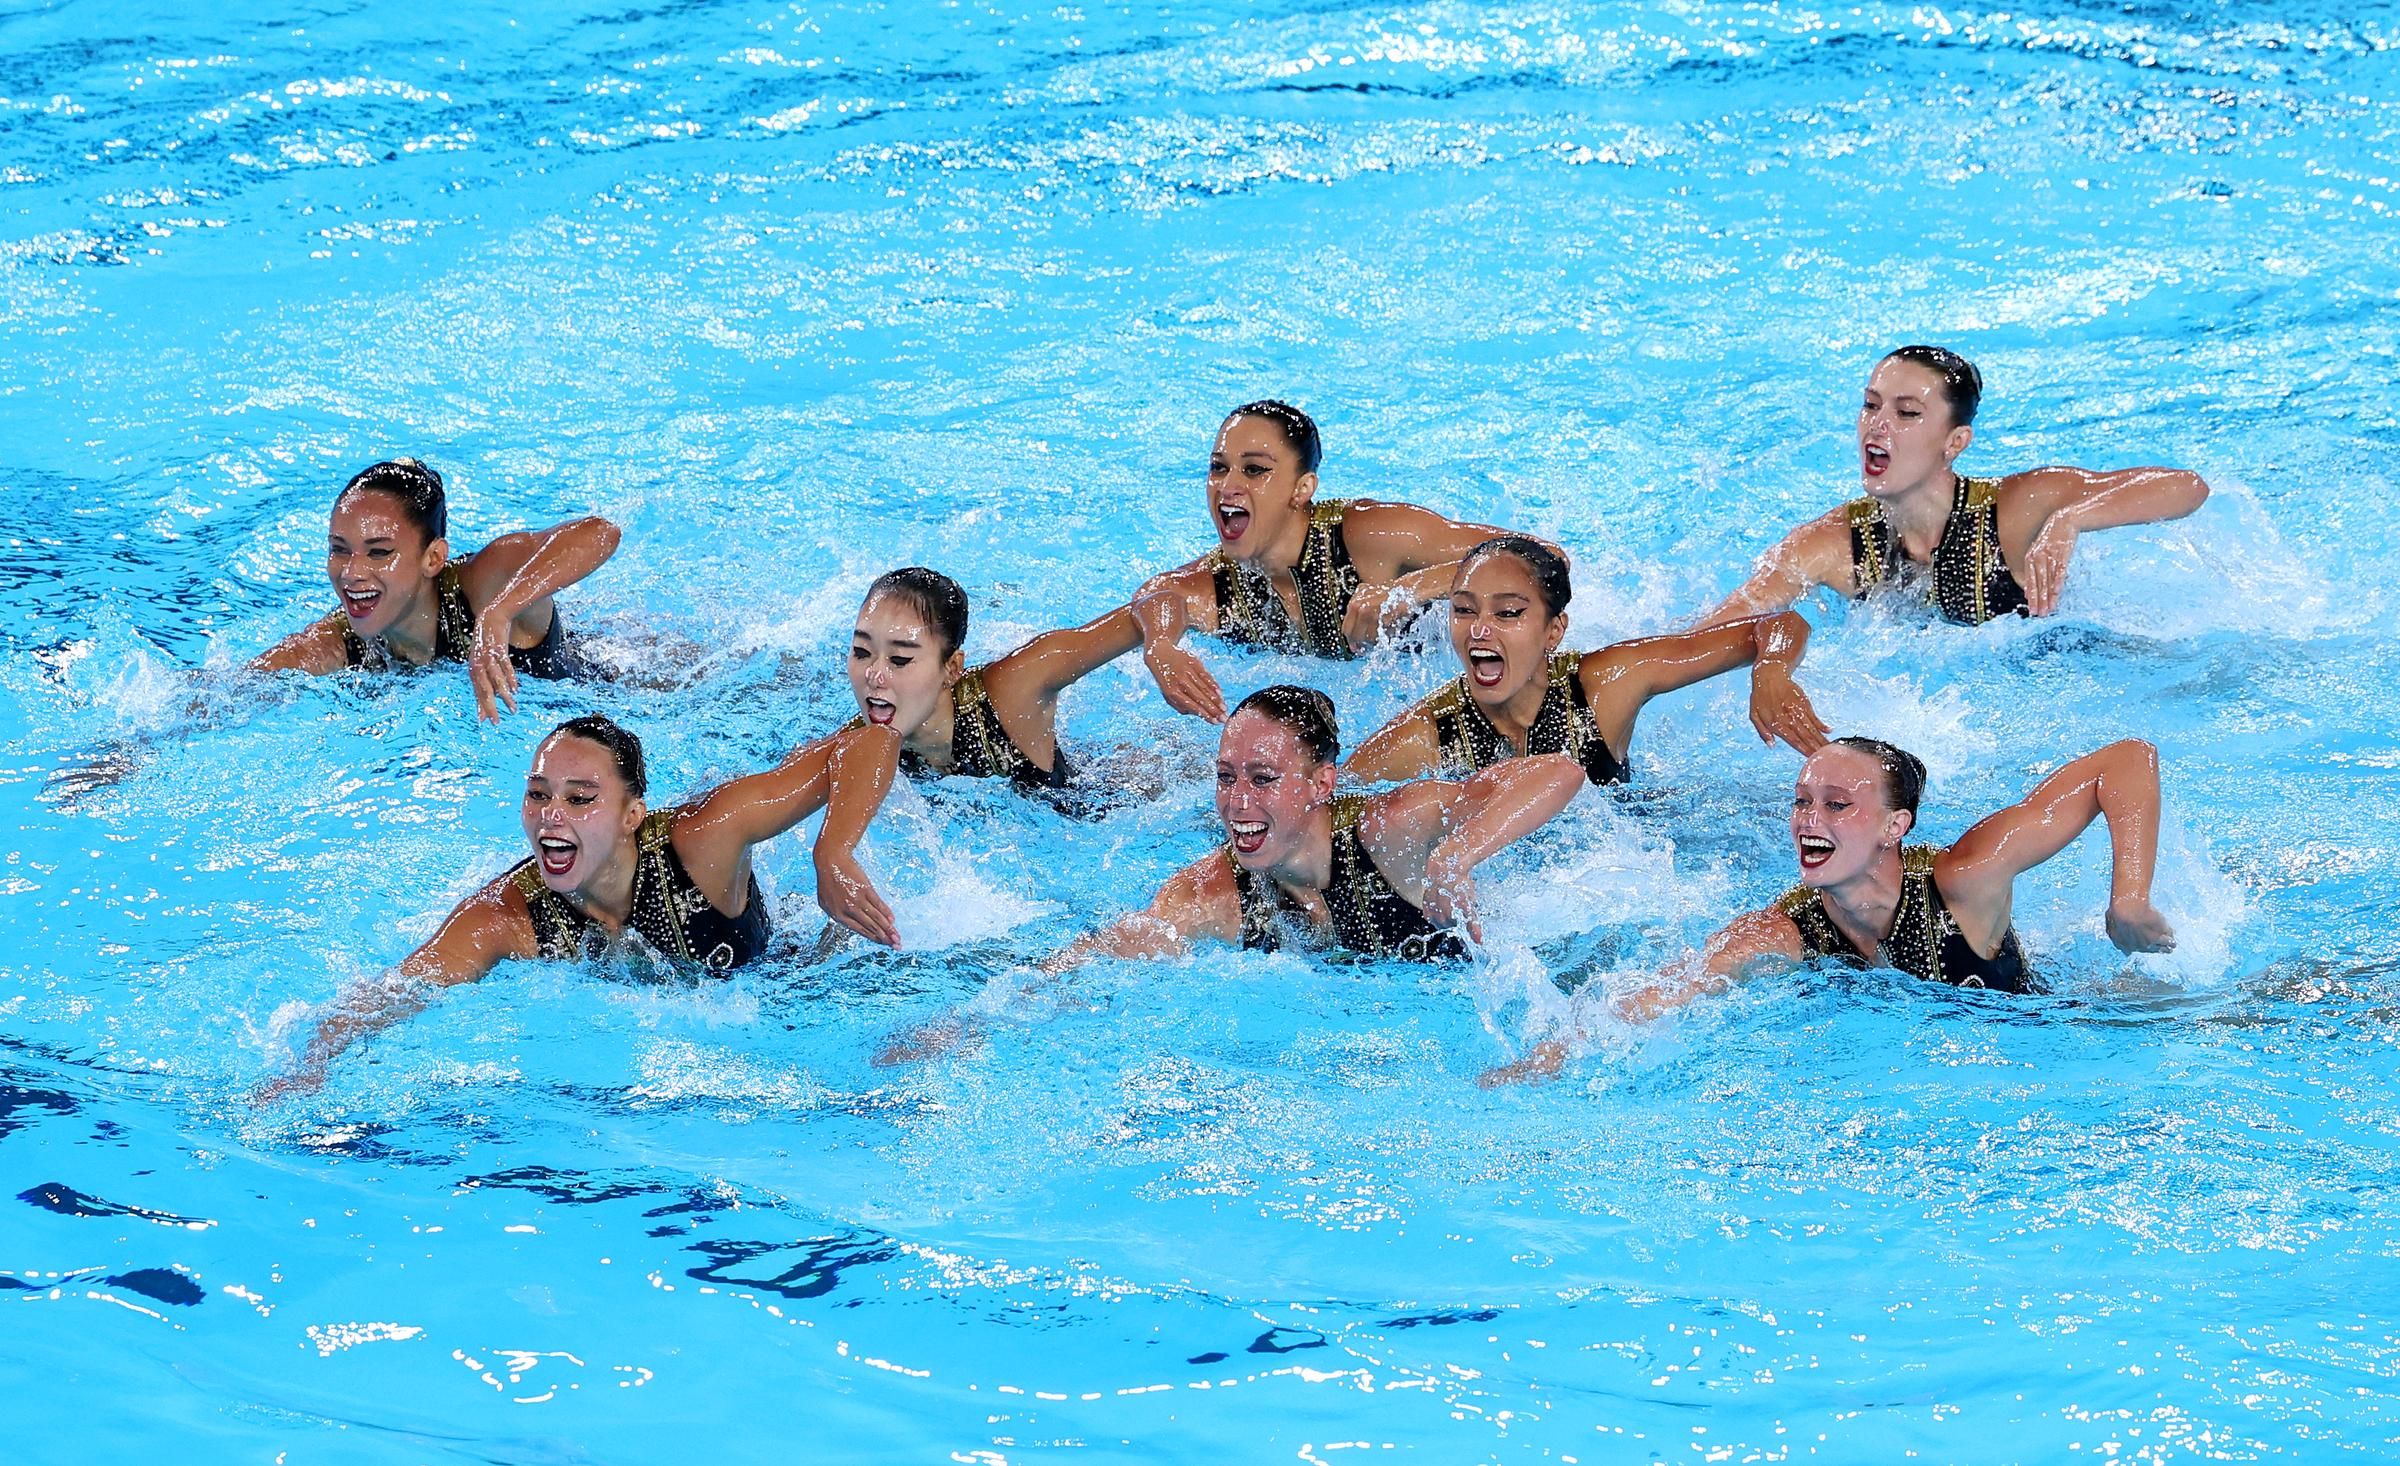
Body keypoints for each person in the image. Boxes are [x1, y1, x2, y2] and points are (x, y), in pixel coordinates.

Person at [876, 686, 1586, 1064]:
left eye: (1264, 779)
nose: (1237, 804)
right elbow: (1105, 954)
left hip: (1518, 980)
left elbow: (1558, 770)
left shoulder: (1388, 830)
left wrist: (1458, 855)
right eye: (1225, 778)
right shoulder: (1210, 894)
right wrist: (979, 1020)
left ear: (1320, 785)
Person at [255, 711, 900, 1100]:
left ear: (632, 814)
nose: (551, 816)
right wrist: (309, 1066)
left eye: (581, 797)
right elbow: (398, 989)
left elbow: (868, 740)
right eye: (539, 795)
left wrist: (832, 855)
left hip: (799, 980)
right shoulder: (508, 916)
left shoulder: (704, 839)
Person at [1479, 736, 2178, 1085]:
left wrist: (2129, 901)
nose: (1809, 820)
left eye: (1838, 805)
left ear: (1893, 826)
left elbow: (2125, 760)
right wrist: (1538, 1065)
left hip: (2075, 1027)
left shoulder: (1966, 879)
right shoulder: (1782, 932)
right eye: (1802, 800)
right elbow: (1658, 995)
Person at [1696, 347, 2210, 627]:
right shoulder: (1833, 544)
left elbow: (2187, 487)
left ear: (1955, 442)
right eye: (1871, 405)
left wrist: (2070, 518)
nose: (1878, 426)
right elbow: (1716, 628)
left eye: (1908, 413)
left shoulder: (2015, 509)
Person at [1132, 401, 1562, 722]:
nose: (1228, 486)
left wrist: (1410, 589)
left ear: (1302, 488)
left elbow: (1546, 557)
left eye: (1255, 470)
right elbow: (1157, 595)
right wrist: (1160, 646)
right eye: (1218, 468)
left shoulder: (1369, 537)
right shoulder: (1224, 583)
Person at [1345, 536, 1829, 786]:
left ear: (1554, 631)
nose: (1479, 629)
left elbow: (1777, 623)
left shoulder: (1606, 685)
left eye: (1508, 613)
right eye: (1464, 610)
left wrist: (1770, 670)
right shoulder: (1426, 737)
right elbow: (1324, 803)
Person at [253, 458, 621, 721]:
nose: (351, 572)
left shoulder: (482, 588)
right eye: (339, 549)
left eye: (379, 552)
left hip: (615, 690)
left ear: (433, 558)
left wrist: (501, 612)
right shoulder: (340, 641)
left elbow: (601, 532)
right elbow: (237, 688)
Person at [846, 566, 1144, 799]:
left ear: (951, 668)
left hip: (1104, 802)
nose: (874, 675)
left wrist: (1162, 648)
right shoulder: (853, 746)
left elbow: (1152, 606)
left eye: (899, 660)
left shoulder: (1011, 690)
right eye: (861, 652)